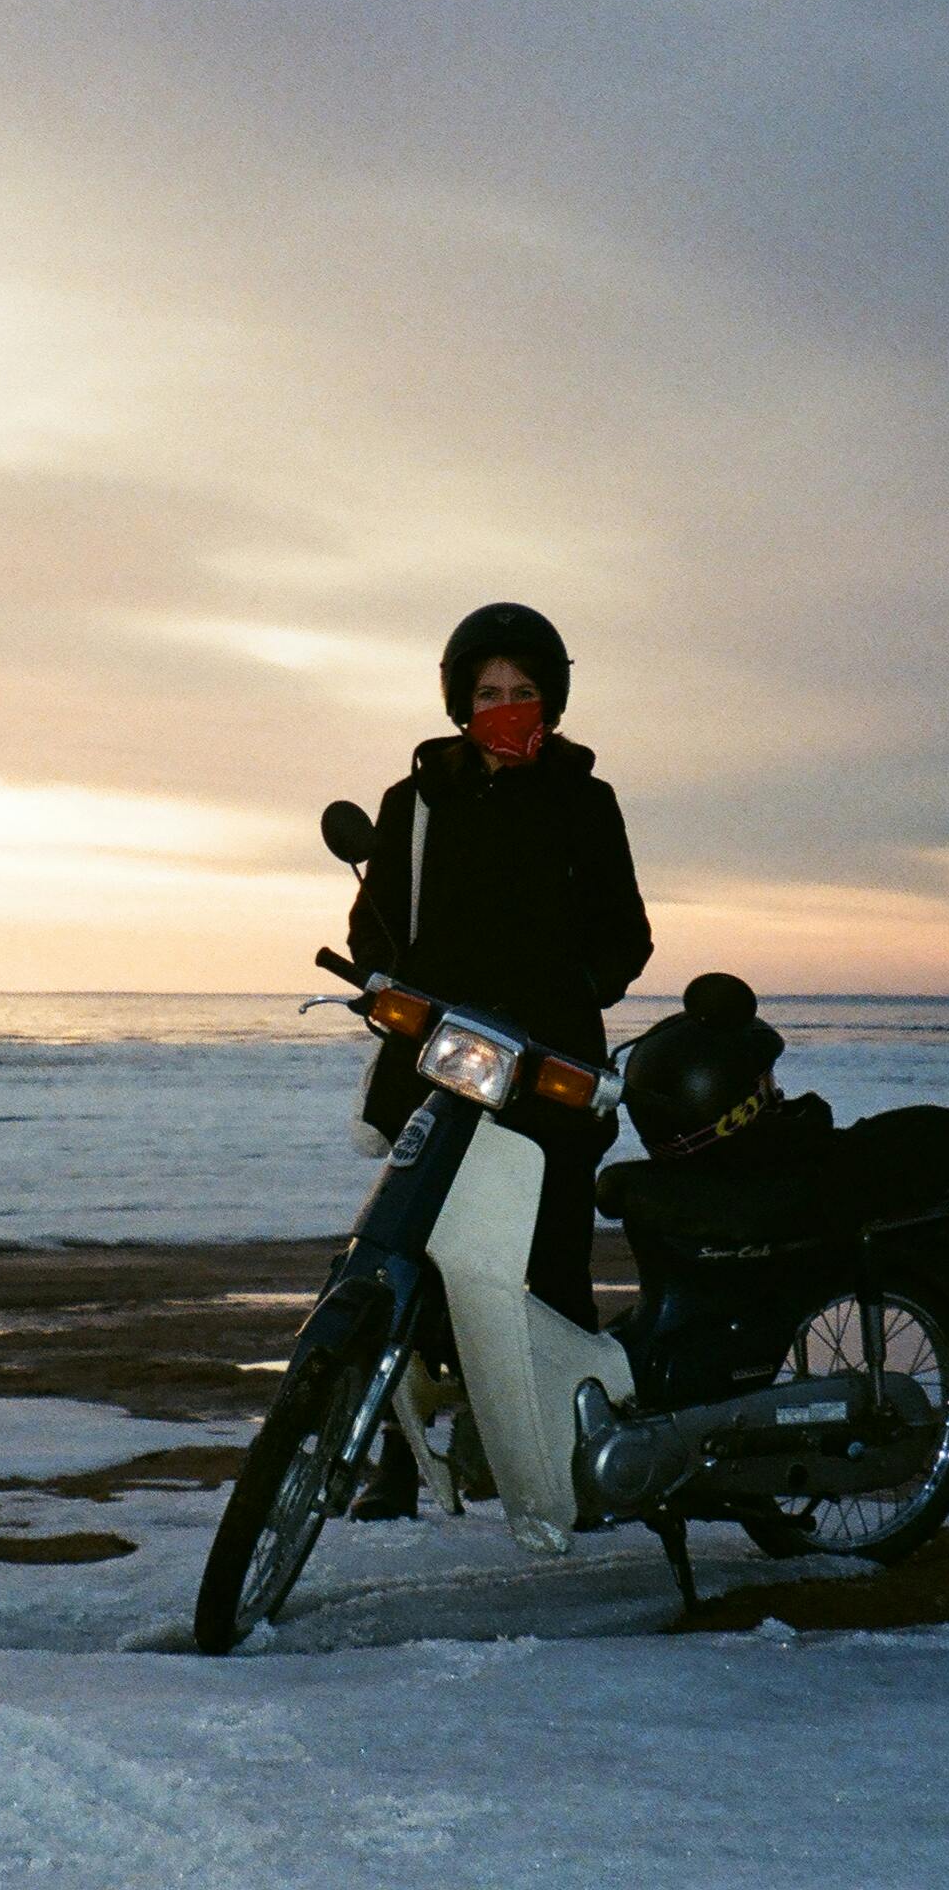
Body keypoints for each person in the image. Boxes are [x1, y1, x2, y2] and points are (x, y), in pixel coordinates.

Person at [344, 602, 654, 1516]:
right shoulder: (414, 804)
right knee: (411, 1252)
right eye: (488, 693)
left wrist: (569, 994)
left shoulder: (584, 802)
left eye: (523, 692)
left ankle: (572, 1463)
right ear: (459, 701)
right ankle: (396, 1463)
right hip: (437, 1056)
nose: (506, 707)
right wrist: (379, 983)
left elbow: (626, 935)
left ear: (550, 700)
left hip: (548, 1063)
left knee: (553, 1261)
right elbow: (375, 925)